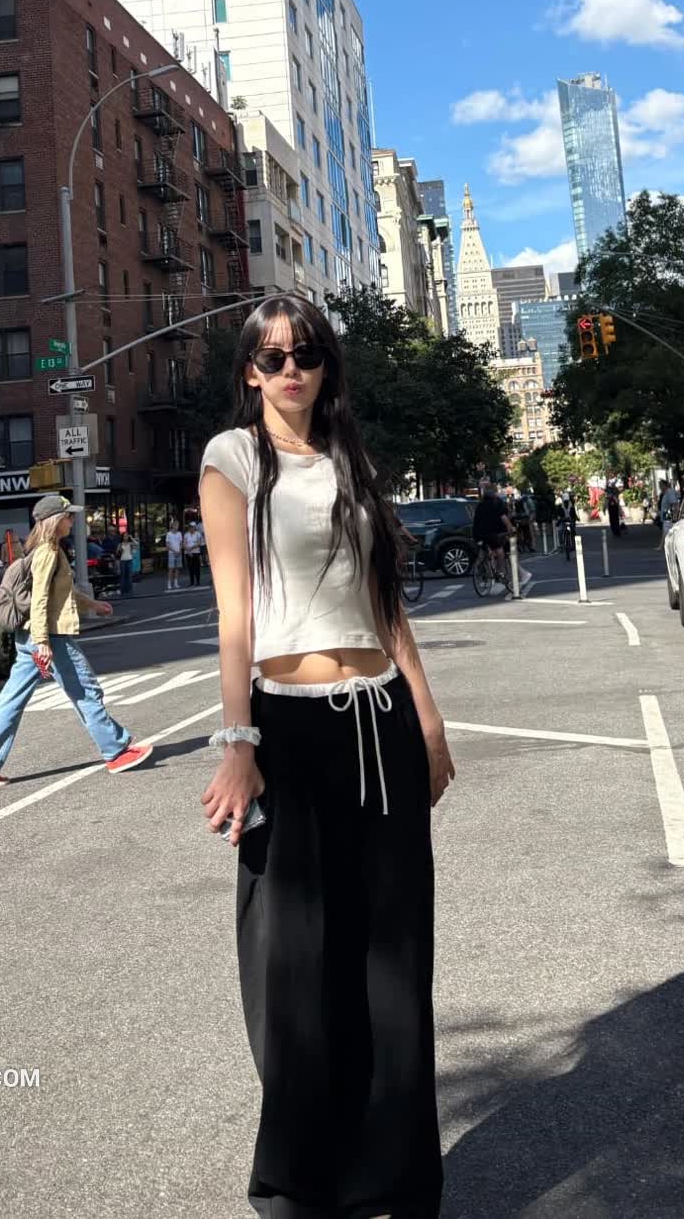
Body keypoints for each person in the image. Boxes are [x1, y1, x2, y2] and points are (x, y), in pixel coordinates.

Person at [200, 293, 453, 1219]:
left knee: (393, 956)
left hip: (378, 717)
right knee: (298, 959)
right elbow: (233, 615)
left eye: (304, 354)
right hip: (289, 725)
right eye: (271, 358)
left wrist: (427, 720)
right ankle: (301, 1183)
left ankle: (396, 1176)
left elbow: (385, 603)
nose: (289, 370)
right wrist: (238, 743)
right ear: (249, 371)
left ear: (324, 365)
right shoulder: (231, 459)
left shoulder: (351, 459)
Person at [0, 494, 152, 785]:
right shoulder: (48, 551)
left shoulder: (46, 550)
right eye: (68, 516)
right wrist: (43, 642)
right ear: (54, 521)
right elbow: (39, 599)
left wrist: (92, 604)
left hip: (31, 636)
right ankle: (115, 751)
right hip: (49, 636)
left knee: (11, 700)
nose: (72, 520)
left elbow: (62, 593)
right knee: (85, 691)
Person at [472, 484, 512, 577]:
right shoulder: (496, 503)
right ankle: (500, 571)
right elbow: (504, 518)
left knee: (483, 550)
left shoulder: (480, 504)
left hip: (477, 533)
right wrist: (510, 528)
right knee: (499, 550)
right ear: (495, 493)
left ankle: (479, 566)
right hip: (491, 533)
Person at [182, 517, 205, 590]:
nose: (191, 528)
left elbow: (199, 543)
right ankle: (191, 582)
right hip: (188, 553)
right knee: (190, 568)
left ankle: (198, 582)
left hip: (196, 552)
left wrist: (191, 547)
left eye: (192, 527)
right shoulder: (186, 534)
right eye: (190, 527)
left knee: (196, 567)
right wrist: (188, 550)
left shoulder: (198, 534)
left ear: (195, 527)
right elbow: (184, 543)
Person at [165, 519, 185, 592]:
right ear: (173, 526)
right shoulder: (168, 534)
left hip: (178, 552)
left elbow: (181, 543)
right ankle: (169, 583)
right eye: (176, 525)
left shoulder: (179, 533)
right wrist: (174, 551)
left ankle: (176, 583)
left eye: (178, 525)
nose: (177, 526)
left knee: (177, 568)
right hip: (171, 553)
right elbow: (167, 545)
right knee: (171, 569)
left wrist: (179, 550)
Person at [117, 530, 137, 596]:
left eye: (126, 536)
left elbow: (136, 543)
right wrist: (120, 550)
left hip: (129, 560)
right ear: (122, 537)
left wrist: (131, 538)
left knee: (129, 576)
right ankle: (123, 590)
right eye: (124, 536)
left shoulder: (130, 543)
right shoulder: (120, 544)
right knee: (123, 576)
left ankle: (129, 590)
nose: (125, 537)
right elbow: (117, 552)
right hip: (122, 560)